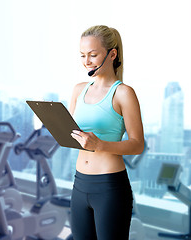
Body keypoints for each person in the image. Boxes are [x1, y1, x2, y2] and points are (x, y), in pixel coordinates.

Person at [69, 25, 145, 240]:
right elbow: (73, 133)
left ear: (112, 54)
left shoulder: (123, 93)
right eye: (83, 55)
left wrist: (100, 145)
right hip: (79, 184)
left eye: (93, 55)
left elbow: (138, 144)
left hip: (109, 188)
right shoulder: (78, 89)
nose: (87, 61)